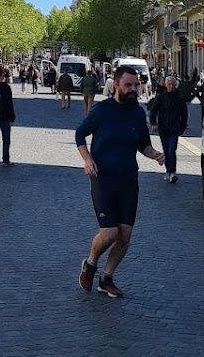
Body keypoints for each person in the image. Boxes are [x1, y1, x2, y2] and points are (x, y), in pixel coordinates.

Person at [76, 63, 165, 299]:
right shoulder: (102, 110)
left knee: (125, 234)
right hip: (103, 177)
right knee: (109, 233)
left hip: (128, 178)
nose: (133, 89)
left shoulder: (137, 112)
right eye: (128, 85)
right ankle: (90, 263)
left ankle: (107, 278)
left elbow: (142, 143)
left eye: (136, 85)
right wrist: (87, 160)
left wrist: (154, 154)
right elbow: (79, 134)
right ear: (116, 84)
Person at [148, 75, 188, 183]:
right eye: (169, 84)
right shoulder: (161, 98)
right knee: (166, 151)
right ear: (166, 85)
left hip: (174, 129)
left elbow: (184, 115)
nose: (170, 86)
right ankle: (168, 171)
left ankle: (172, 172)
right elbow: (153, 111)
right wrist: (153, 123)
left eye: (172, 84)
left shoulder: (180, 99)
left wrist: (182, 128)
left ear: (175, 85)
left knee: (171, 150)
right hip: (163, 129)